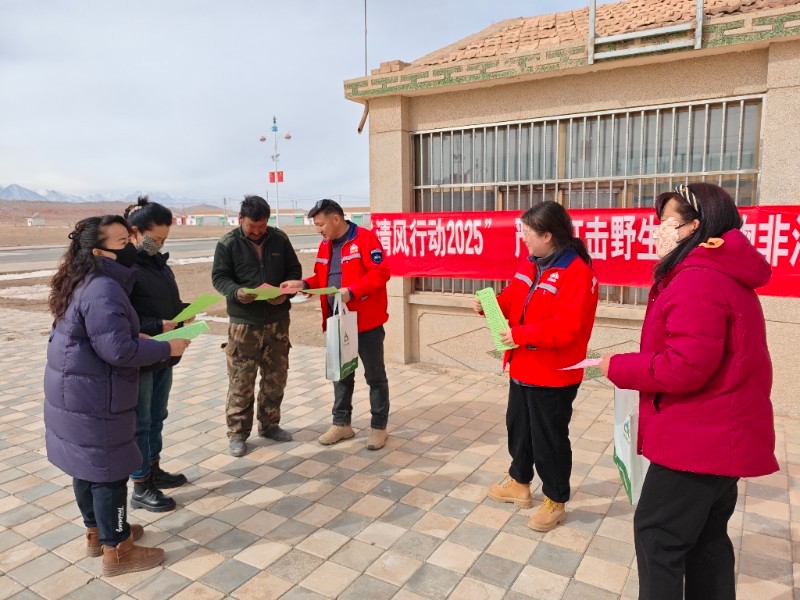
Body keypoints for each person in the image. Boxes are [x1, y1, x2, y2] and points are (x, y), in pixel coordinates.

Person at [598, 183, 778, 600]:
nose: (658, 231)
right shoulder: (721, 272)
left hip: (699, 438)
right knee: (707, 540)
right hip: (720, 435)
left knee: (658, 536)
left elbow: (685, 367)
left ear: (694, 227)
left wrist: (618, 367)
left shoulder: (698, 278)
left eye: (666, 223)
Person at [44, 215, 190, 577]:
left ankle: (98, 534)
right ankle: (118, 549)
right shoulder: (103, 289)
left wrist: (137, 334)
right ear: (99, 251)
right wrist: (164, 349)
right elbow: (118, 353)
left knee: (86, 466)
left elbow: (101, 335)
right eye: (123, 243)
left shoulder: (82, 281)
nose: (132, 248)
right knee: (110, 471)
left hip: (77, 393)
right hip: (97, 396)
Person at [474, 201, 598, 532]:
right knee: (520, 429)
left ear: (548, 234)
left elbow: (567, 328)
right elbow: (513, 298)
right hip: (523, 366)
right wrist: (490, 306)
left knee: (550, 440)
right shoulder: (531, 264)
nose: (523, 238)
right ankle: (519, 482)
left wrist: (520, 334)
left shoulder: (578, 274)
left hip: (554, 374)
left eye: (527, 233)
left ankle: (556, 499)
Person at [281, 198, 391, 450]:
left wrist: (352, 291)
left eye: (320, 224)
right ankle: (342, 424)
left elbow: (380, 272)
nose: (318, 229)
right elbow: (321, 277)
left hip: (365, 321)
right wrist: (303, 285)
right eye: (316, 225)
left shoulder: (365, 239)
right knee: (340, 375)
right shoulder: (325, 246)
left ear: (336, 219)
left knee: (375, 376)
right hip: (336, 319)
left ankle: (378, 427)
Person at [212, 195, 302, 457]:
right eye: (252, 226)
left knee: (276, 376)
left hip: (278, 321)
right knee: (241, 381)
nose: (257, 231)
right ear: (240, 220)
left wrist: (286, 291)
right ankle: (238, 434)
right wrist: (236, 292)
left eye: (262, 226)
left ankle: (270, 424)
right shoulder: (228, 243)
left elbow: (294, 272)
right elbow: (219, 277)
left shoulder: (279, 239)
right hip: (244, 324)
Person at [125, 196, 190, 512]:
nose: (160, 244)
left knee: (157, 417)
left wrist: (184, 312)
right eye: (156, 239)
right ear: (135, 232)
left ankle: (154, 469)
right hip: (143, 354)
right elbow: (124, 316)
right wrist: (158, 324)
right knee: (142, 420)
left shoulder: (156, 263)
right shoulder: (125, 267)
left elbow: (164, 303)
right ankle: (140, 484)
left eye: (165, 239)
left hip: (165, 352)